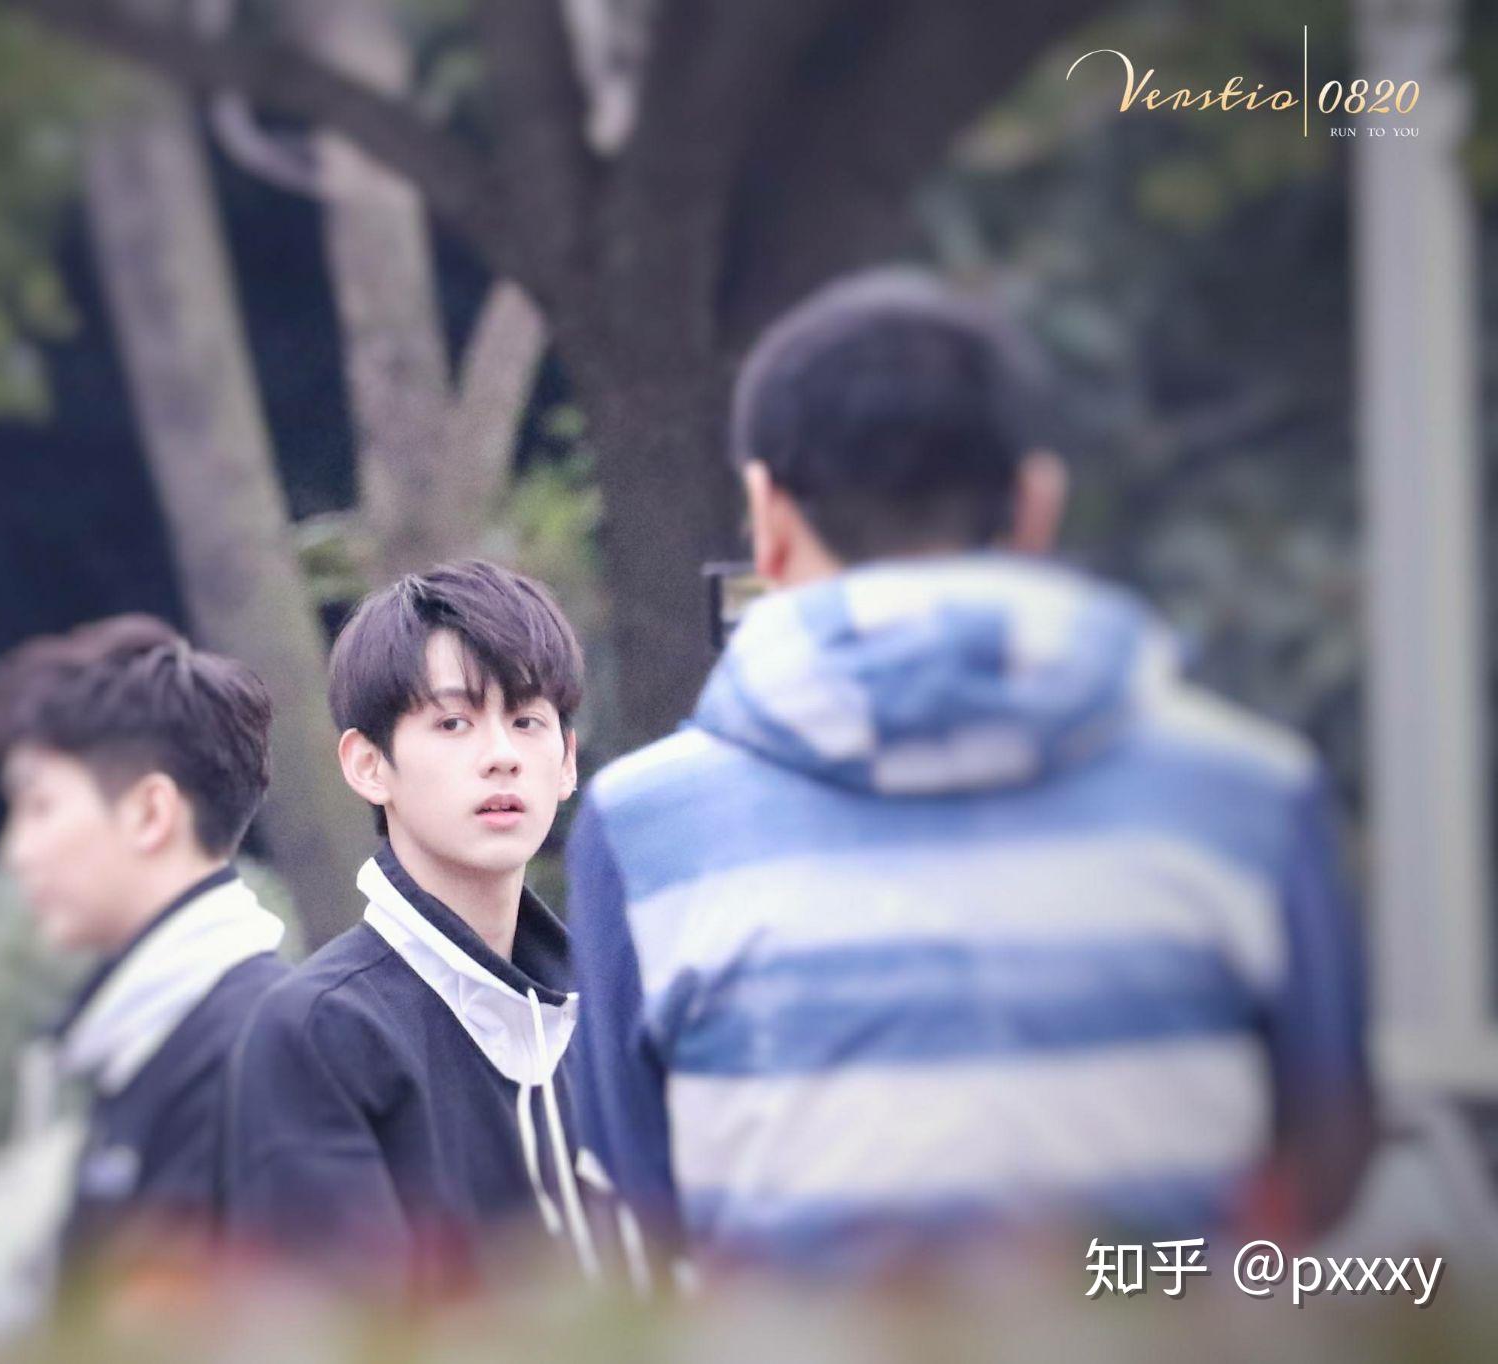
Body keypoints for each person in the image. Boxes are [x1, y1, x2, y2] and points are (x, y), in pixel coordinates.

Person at [564, 268, 1375, 1276]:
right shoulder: (1251, 793)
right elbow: (1323, 1176)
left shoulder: (640, 828)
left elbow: (649, 1195)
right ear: (1036, 504)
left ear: (765, 514)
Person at [222, 561, 607, 1289]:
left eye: (527, 721)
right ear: (369, 765)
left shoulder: (608, 1013)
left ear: (566, 763)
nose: (501, 756)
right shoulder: (319, 1032)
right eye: (454, 722)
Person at [0, 613, 290, 1264]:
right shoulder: (153, 1038)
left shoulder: (259, 1053)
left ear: (149, 813)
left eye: (40, 806)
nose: (16, 852)